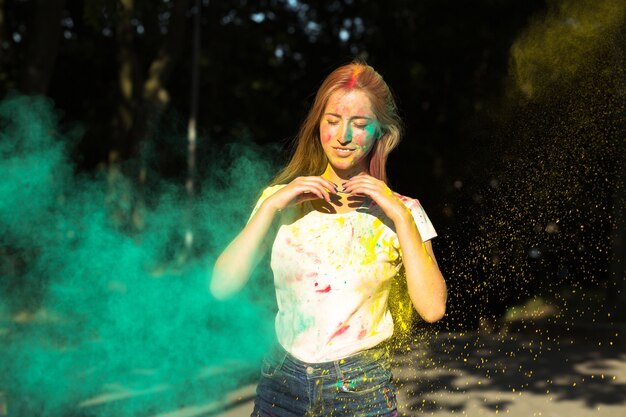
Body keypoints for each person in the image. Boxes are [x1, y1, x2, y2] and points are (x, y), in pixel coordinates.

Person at [211, 61, 447, 417]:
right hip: (281, 385)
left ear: (380, 131)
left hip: (361, 389)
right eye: (332, 121)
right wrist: (272, 205)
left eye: (359, 124)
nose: (343, 137)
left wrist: (397, 215)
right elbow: (221, 285)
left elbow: (432, 308)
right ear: (318, 124)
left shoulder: (404, 211)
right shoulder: (279, 201)